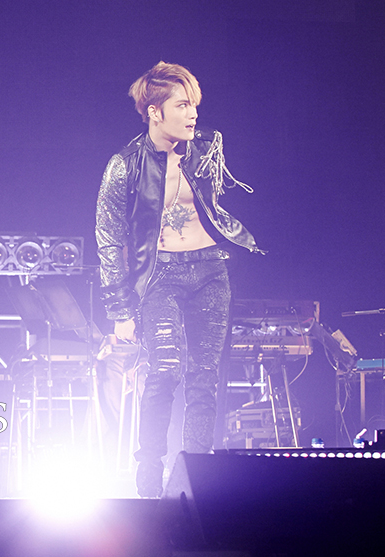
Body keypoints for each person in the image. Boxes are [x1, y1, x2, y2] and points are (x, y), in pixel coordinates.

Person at [95, 61, 260, 497]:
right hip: (160, 275)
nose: (193, 114)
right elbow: (109, 239)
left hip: (210, 269)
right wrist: (120, 310)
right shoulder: (124, 165)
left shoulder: (206, 148)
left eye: (195, 105)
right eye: (182, 105)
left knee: (204, 376)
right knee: (165, 370)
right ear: (154, 112)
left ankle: (195, 479)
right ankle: (149, 474)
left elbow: (213, 202)